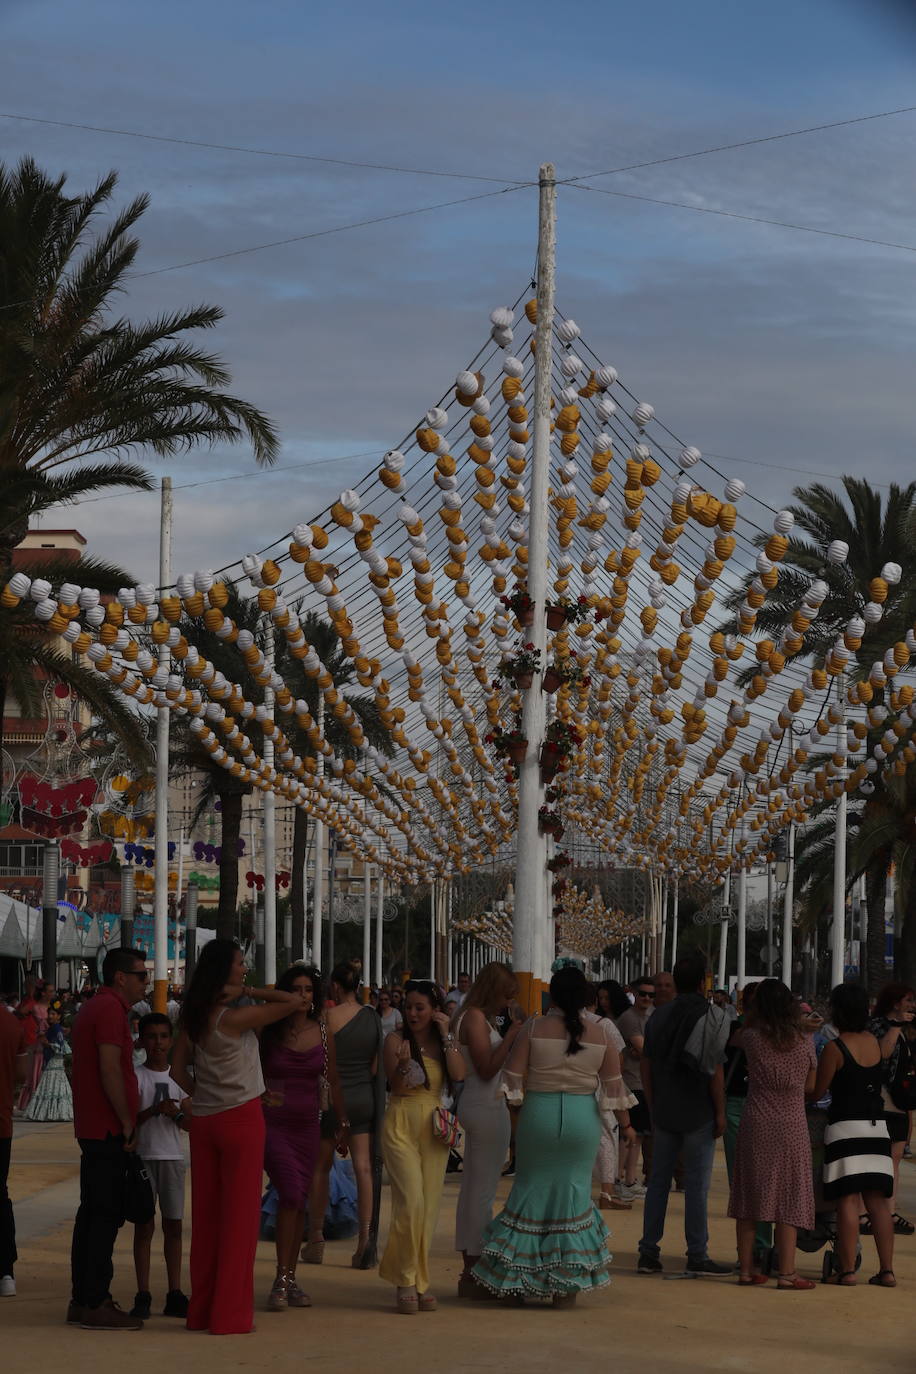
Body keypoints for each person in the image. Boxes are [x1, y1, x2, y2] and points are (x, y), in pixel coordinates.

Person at [472, 966, 631, 1306]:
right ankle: (564, 1288)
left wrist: (520, 1112)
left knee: (529, 1190)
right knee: (574, 1195)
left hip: (539, 1116)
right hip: (582, 1120)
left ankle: (516, 1279)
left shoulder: (533, 1027)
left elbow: (512, 1078)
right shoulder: (601, 1032)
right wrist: (627, 1126)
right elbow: (614, 1088)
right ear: (586, 997)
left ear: (552, 996)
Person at [170, 939, 305, 1335]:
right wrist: (247, 992)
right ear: (224, 972)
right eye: (241, 965)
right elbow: (294, 1002)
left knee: (209, 1219)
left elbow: (178, 1073)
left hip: (207, 1123)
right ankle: (229, 1316)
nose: (245, 969)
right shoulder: (233, 1017)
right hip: (241, 1121)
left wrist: (208, 1095)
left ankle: (203, 1312)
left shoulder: (194, 1018)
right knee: (239, 1222)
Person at [637, 952, 730, 1277]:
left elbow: (646, 1064)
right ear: (705, 979)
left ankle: (648, 1251)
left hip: (664, 1109)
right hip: (698, 1111)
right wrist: (720, 1112)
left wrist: (651, 1104)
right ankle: (697, 1253)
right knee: (696, 1186)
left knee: (658, 1183)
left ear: (675, 981)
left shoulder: (658, 1017)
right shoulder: (713, 1015)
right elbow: (714, 1070)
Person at [69, 948, 147, 1330]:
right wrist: (126, 1121)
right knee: (104, 1217)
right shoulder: (109, 1011)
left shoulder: (96, 1009)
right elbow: (110, 1069)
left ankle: (83, 1298)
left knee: (92, 1215)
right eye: (141, 975)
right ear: (120, 977)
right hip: (106, 1128)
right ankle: (96, 1299)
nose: (145, 981)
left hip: (94, 1126)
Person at [261, 964, 346, 1310]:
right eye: (294, 989)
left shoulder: (323, 1032)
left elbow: (334, 1080)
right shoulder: (268, 1030)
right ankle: (281, 1279)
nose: (301, 996)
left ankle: (289, 1277)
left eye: (308, 990)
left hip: (308, 1125)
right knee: (291, 1195)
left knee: (299, 1200)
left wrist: (341, 1123)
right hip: (273, 1124)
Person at [380, 978, 465, 1312]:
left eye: (420, 1007)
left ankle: (419, 1278)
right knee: (411, 1201)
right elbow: (398, 1087)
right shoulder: (394, 1040)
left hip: (432, 1125)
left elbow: (458, 1075)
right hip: (400, 1121)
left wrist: (446, 1036)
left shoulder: (444, 1041)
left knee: (428, 1208)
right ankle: (404, 1279)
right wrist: (402, 1064)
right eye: (409, 1006)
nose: (413, 1013)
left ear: (435, 1010)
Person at [727, 979, 816, 1289]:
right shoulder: (804, 1041)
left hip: (756, 1119)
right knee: (790, 1195)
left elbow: (735, 1037)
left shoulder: (750, 1037)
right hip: (792, 1122)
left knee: (749, 1195)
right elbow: (810, 1086)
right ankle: (788, 1273)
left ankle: (746, 1270)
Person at [811, 984, 895, 1286]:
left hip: (844, 1127)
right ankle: (886, 1270)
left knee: (847, 1200)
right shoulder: (874, 1043)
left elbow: (818, 1091)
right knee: (877, 1203)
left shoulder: (835, 1048)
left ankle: (846, 1271)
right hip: (876, 1128)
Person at [304, 963, 383, 1268]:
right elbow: (377, 1068)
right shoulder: (373, 1017)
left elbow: (317, 1061)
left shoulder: (324, 1018)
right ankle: (364, 1240)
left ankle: (316, 1238)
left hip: (330, 1101)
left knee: (321, 1168)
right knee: (363, 1168)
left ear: (334, 987)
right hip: (363, 1097)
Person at [453, 962, 523, 1298]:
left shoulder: (471, 1016)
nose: (507, 1003)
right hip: (484, 1103)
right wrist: (512, 1035)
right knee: (481, 1194)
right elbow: (485, 1068)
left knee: (474, 1191)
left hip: (481, 1104)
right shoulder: (476, 1019)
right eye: (506, 995)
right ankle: (476, 1269)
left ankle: (471, 1268)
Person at [130, 1013, 189, 1319]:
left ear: (171, 1039)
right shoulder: (137, 1077)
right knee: (144, 1227)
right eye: (151, 1037)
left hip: (173, 1157)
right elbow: (129, 1120)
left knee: (174, 1226)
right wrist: (154, 1110)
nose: (158, 1043)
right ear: (142, 1040)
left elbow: (192, 1122)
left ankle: (175, 1291)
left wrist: (177, 1114)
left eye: (163, 1036)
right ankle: (143, 1292)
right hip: (144, 1157)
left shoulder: (179, 1078)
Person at [722, 982, 772, 1267]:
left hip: (761, 1108)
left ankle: (762, 1246)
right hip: (737, 1104)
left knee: (763, 1182)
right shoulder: (738, 1029)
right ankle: (752, 1249)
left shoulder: (778, 1034)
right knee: (740, 1181)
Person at [868, 982, 916, 1236]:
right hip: (881, 1101)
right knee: (878, 1159)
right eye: (908, 1000)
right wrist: (896, 1026)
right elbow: (882, 1054)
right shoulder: (878, 1026)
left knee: (894, 1161)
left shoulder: (905, 1030)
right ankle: (873, 1211)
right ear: (895, 1002)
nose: (912, 1005)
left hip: (899, 1103)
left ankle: (889, 1210)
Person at [585, 982, 636, 1213]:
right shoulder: (603, 1024)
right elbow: (618, 1059)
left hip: (570, 1089)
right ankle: (607, 1192)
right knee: (606, 1137)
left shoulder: (556, 1023)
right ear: (594, 1000)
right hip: (600, 1086)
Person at [616, 976, 656, 1200]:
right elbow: (645, 1049)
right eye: (643, 994)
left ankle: (629, 1179)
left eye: (652, 995)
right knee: (628, 1134)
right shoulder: (630, 1018)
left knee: (638, 1135)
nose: (647, 998)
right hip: (632, 1082)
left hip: (643, 1081)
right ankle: (618, 1179)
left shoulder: (649, 1016)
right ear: (634, 994)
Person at [0, 1000, 28, 1296]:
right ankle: (5, 1271)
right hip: (2, 1124)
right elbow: (21, 1074)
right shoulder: (12, 1025)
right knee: (1, 1195)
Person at [24, 1003, 72, 1121]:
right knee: (56, 1085)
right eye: (49, 1014)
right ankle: (57, 1112)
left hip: (54, 1062)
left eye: (53, 1014)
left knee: (52, 1084)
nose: (50, 1016)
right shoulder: (54, 1028)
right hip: (54, 1062)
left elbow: (61, 1047)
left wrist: (48, 1044)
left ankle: (49, 1112)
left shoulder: (55, 1028)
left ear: (59, 1016)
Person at [16, 978, 54, 1110]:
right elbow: (20, 1012)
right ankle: (35, 1105)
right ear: (43, 993)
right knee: (37, 1072)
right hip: (40, 1043)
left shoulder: (54, 1006)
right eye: (50, 991)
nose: (53, 993)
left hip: (52, 1044)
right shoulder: (35, 1006)